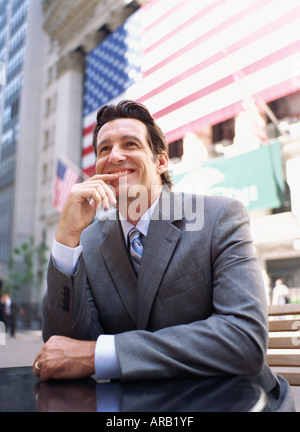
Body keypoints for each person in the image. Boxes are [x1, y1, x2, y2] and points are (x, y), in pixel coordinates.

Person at [34, 100, 295, 411]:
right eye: (104, 149)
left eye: (130, 144)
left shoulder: (219, 216)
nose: (114, 155)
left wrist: (99, 354)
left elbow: (243, 339)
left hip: (234, 402)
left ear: (160, 162)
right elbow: (64, 347)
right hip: (136, 408)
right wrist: (66, 239)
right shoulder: (87, 240)